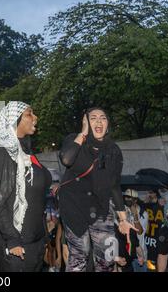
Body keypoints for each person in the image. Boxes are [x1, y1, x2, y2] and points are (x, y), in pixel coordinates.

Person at [58, 108, 136, 272]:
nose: (99, 121)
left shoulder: (113, 150)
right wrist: (83, 133)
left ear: (108, 124)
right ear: (85, 122)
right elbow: (66, 159)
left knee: (107, 257)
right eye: (93, 118)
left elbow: (114, 185)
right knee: (80, 256)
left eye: (103, 118)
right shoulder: (74, 140)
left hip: (100, 207)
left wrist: (123, 219)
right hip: (74, 207)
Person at [0, 102, 52, 272]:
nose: (35, 117)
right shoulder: (1, 154)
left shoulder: (27, 154)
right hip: (16, 244)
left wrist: (43, 236)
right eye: (29, 114)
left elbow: (38, 193)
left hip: (36, 241)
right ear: (14, 121)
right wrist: (12, 240)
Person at [144, 189, 166, 271]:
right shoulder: (146, 204)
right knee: (150, 260)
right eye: (148, 192)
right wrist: (145, 201)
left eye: (151, 192)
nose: (149, 194)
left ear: (156, 193)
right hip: (149, 236)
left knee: (158, 257)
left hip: (158, 236)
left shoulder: (161, 203)